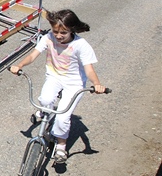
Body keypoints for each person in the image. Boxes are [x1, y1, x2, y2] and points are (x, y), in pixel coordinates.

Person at [9, 9, 106, 163]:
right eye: (56, 32)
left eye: (64, 33)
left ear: (72, 30)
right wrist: (19, 65)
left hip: (74, 83)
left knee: (62, 117)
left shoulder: (81, 45)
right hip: (54, 77)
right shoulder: (48, 38)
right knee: (46, 101)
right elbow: (34, 55)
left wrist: (97, 84)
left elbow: (89, 69)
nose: (59, 36)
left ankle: (61, 146)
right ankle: (44, 113)